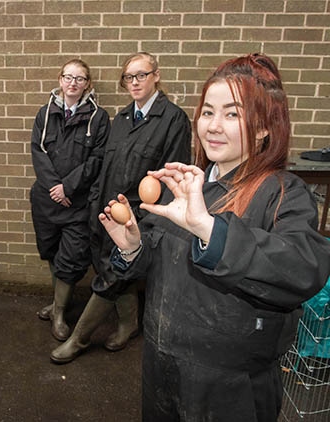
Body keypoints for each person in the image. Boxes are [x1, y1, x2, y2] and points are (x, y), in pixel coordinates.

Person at [99, 53, 330, 421]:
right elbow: (160, 258)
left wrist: (208, 228)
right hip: (162, 370)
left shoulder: (283, 192)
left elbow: (303, 268)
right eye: (208, 112)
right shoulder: (191, 186)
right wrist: (131, 248)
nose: (213, 126)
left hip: (229, 389)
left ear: (263, 128)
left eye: (232, 114)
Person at [51, 52, 191, 362]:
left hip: (137, 219)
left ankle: (79, 339)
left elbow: (172, 179)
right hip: (107, 211)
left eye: (142, 75)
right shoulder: (123, 118)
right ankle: (129, 324)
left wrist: (142, 221)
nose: (135, 82)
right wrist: (94, 205)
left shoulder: (173, 120)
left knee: (112, 275)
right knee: (110, 268)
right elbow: (106, 166)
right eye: (129, 77)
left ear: (156, 75)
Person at [30, 59, 110, 341]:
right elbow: (37, 152)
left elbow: (97, 159)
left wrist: (68, 187)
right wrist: (54, 187)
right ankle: (57, 303)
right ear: (60, 80)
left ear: (88, 83)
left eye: (80, 78)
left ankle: (60, 315)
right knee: (51, 251)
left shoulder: (99, 118)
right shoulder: (45, 113)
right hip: (46, 200)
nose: (73, 83)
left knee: (72, 257)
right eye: (68, 77)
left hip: (76, 202)